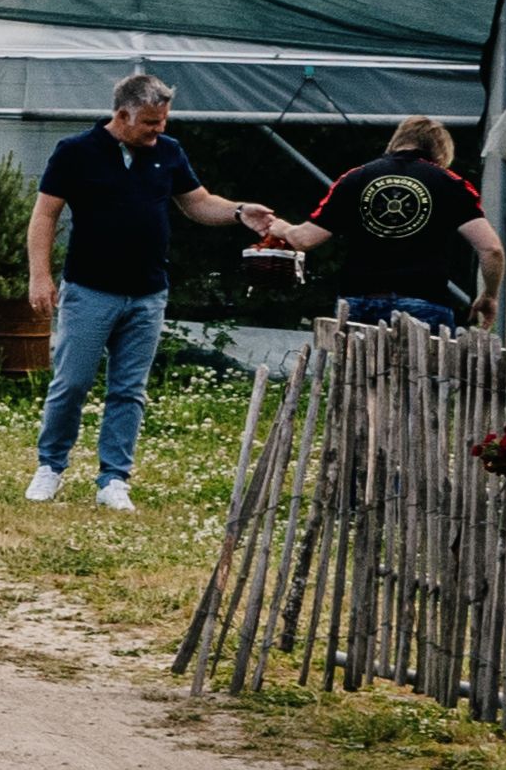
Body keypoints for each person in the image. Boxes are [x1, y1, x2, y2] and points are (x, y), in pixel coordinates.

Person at [24, 72, 303, 509]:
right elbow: (45, 216)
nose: (160, 130)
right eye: (151, 123)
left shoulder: (168, 153)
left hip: (148, 293)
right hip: (89, 290)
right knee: (72, 382)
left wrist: (239, 212)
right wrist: (39, 276)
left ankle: (113, 480)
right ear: (122, 114)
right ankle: (50, 467)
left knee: (129, 389)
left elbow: (197, 202)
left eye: (163, 121)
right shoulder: (75, 152)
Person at [313, 114, 494, 328]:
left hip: (359, 301)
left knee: (358, 362)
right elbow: (492, 249)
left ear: (397, 141)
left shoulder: (355, 178)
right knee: (423, 363)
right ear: (441, 151)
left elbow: (304, 239)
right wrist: (489, 295)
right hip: (424, 302)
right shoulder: (452, 184)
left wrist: (275, 226)